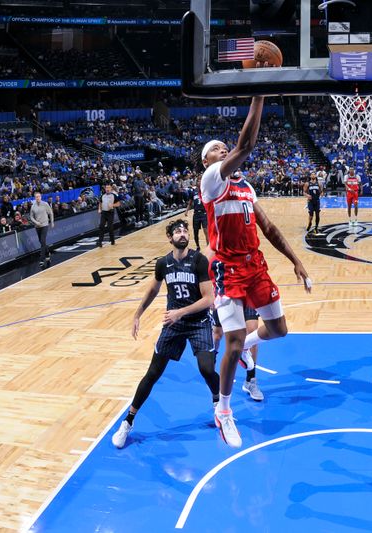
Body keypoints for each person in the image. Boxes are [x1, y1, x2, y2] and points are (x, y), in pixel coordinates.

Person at [200, 95, 311, 448]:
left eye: (223, 147)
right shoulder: (211, 182)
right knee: (231, 340)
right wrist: (260, 92)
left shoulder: (246, 187)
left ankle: (244, 345)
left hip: (256, 265)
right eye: (217, 148)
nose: (223, 150)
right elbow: (246, 145)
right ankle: (225, 411)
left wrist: (296, 260)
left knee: (278, 329)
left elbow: (270, 228)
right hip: (227, 269)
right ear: (207, 161)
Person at [111, 219, 218, 449]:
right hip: (174, 324)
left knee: (207, 369)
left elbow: (209, 299)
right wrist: (137, 313)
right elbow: (153, 288)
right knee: (153, 373)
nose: (182, 233)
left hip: (198, 321)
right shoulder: (163, 264)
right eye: (177, 231)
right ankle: (127, 422)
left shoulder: (199, 260)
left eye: (184, 230)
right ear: (170, 238)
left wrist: (180, 312)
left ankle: (220, 405)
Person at [212, 306, 264, 401]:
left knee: (253, 333)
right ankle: (211, 371)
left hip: (247, 294)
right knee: (217, 335)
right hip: (225, 296)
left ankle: (250, 380)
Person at [29, 192, 54, 268]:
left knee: (42, 241)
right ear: (35, 198)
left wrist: (52, 222)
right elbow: (31, 217)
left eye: (39, 196)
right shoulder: (33, 206)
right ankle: (47, 253)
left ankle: (41, 259)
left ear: (41, 197)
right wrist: (36, 222)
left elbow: (51, 213)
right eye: (36, 197)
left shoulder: (45, 204)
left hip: (45, 224)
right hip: (37, 226)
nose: (38, 198)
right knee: (42, 242)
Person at [97, 183, 120, 247]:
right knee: (101, 226)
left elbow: (118, 204)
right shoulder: (102, 196)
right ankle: (100, 242)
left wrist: (112, 205)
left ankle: (112, 240)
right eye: (106, 188)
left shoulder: (114, 195)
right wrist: (99, 209)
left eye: (108, 188)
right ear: (105, 189)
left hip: (110, 213)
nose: (107, 189)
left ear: (111, 188)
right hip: (104, 213)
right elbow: (100, 202)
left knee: (110, 227)